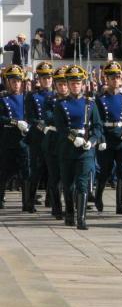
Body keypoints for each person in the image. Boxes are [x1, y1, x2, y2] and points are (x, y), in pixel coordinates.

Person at [54, 65, 102, 229]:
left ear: (83, 84)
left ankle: (81, 219)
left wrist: (93, 140)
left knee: (82, 183)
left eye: (78, 83)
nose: (75, 86)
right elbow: (60, 127)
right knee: (68, 184)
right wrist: (74, 138)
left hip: (85, 150)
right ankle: (69, 214)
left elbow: (97, 126)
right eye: (72, 83)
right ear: (67, 84)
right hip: (67, 148)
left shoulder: (90, 104)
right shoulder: (61, 105)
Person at [95, 61, 122, 215]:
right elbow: (98, 122)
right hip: (107, 137)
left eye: (117, 77)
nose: (115, 80)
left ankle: (121, 204)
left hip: (121, 137)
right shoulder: (101, 99)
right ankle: (98, 196)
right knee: (105, 170)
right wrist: (101, 138)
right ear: (107, 79)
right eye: (112, 77)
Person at [0, 65, 32, 211]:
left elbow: (33, 116)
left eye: (18, 81)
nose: (16, 84)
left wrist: (28, 125)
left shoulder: (27, 99)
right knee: (4, 172)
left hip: (23, 140)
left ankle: (26, 203)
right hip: (7, 139)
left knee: (25, 172)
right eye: (13, 81)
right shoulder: (3, 98)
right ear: (8, 82)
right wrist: (14, 122)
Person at [25, 62, 54, 208]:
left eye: (49, 78)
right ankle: (29, 201)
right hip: (38, 137)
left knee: (52, 170)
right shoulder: (32, 96)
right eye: (44, 78)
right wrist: (43, 127)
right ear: (39, 79)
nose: (47, 80)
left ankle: (51, 200)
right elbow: (30, 117)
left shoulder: (57, 96)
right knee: (35, 170)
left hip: (52, 138)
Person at [43, 66, 69, 219]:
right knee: (54, 177)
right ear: (55, 85)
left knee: (67, 177)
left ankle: (69, 205)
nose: (63, 87)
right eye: (60, 84)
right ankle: (56, 208)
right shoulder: (50, 100)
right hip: (53, 140)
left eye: (65, 84)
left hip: (67, 141)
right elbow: (49, 118)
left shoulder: (74, 100)